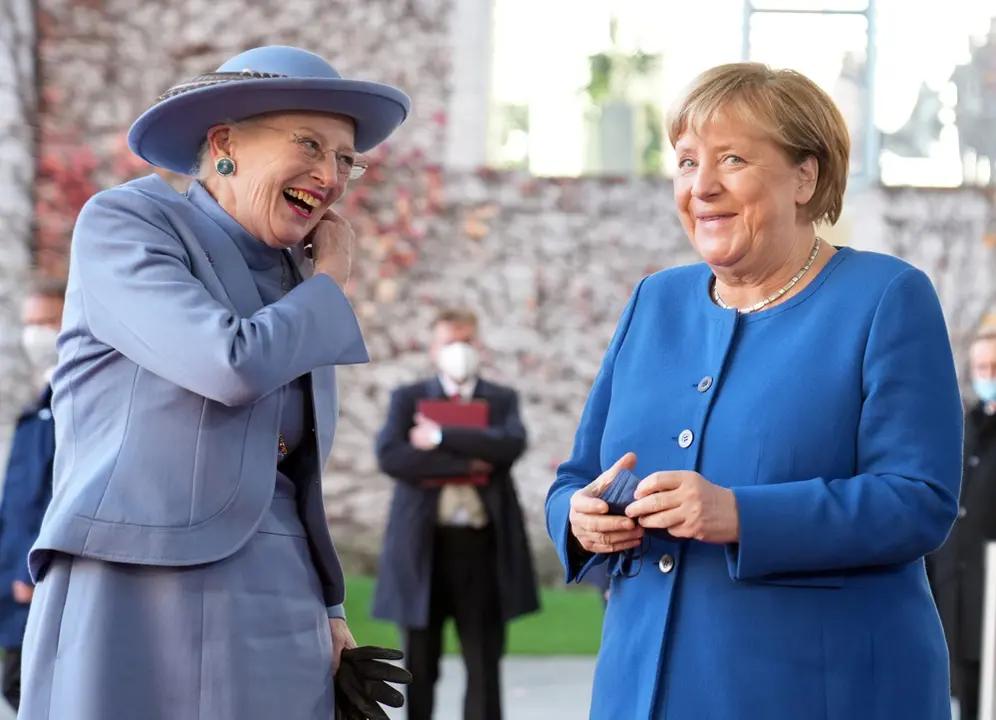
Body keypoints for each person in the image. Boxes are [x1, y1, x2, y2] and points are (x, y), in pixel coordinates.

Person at [545, 62, 963, 720]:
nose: (701, 186)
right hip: (640, 690)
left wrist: (741, 515)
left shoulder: (886, 297)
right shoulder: (655, 301)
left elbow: (918, 501)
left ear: (806, 177)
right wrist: (577, 518)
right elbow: (575, 477)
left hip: (819, 693)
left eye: (732, 159)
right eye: (687, 162)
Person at [18, 45, 412, 720]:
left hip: (280, 593)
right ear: (225, 143)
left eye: (346, 159)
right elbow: (229, 364)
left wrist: (329, 609)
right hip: (136, 583)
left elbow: (296, 469)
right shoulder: (127, 223)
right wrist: (330, 281)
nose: (330, 176)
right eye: (309, 145)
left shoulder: (297, 279)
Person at [372, 308, 540, 720]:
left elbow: (509, 445)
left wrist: (440, 436)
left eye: (466, 341)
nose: (458, 350)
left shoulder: (501, 399)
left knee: (483, 663)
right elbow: (393, 456)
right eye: (449, 342)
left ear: (478, 346)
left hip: (482, 549)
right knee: (418, 665)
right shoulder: (409, 398)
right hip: (423, 549)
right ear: (433, 349)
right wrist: (469, 464)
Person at [0, 278, 64, 711]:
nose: (35, 335)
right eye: (30, 324)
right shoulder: (36, 410)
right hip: (14, 584)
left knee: (35, 693)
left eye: (46, 322)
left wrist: (32, 569)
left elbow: (59, 491)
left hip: (37, 582)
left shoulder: (71, 404)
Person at [928, 329, 996, 720]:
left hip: (990, 597)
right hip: (956, 595)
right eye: (981, 367)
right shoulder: (966, 427)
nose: (987, 376)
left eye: (994, 367)